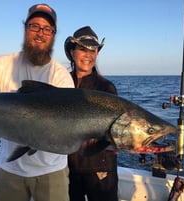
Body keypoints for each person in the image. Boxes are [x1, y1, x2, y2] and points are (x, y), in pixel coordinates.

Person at [0, 4, 74, 201]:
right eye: (34, 26)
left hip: (52, 171)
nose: (40, 33)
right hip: (10, 170)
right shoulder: (2, 64)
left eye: (47, 29)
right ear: (25, 28)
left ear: (53, 35)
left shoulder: (61, 77)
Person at [64, 26, 118, 201]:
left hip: (101, 169)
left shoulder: (106, 88)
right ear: (72, 53)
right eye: (83, 49)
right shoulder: (61, 83)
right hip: (68, 168)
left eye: (93, 50)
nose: (89, 55)